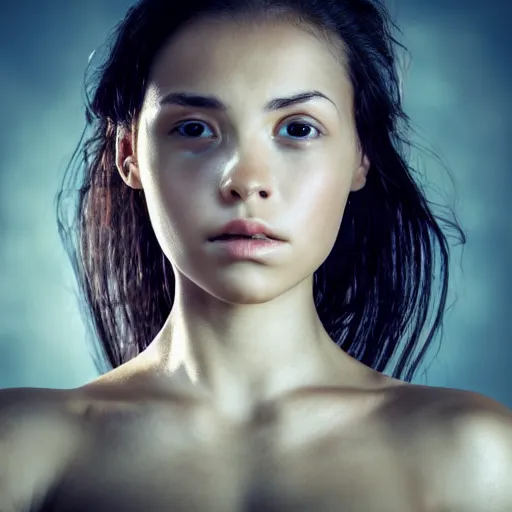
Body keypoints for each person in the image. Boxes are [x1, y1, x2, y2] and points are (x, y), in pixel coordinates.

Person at [1, 0, 511, 510]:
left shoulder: (474, 455)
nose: (245, 181)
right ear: (129, 154)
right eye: (194, 128)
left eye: (298, 128)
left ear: (361, 156)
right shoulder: (25, 449)